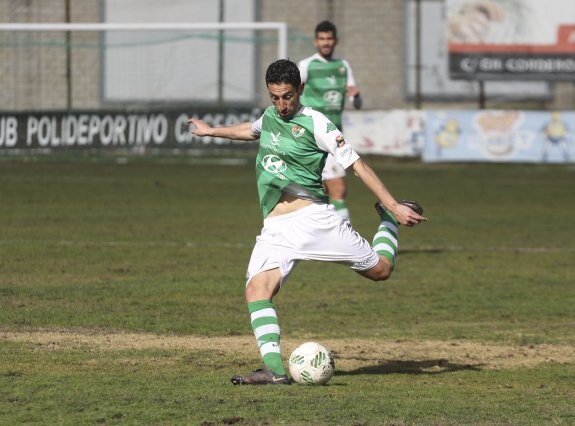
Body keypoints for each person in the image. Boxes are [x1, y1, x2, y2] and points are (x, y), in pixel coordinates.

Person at [189, 59, 426, 385]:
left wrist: (393, 205)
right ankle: (274, 371)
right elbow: (251, 130)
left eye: (287, 96)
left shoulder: (318, 123)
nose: (281, 104)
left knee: (381, 270)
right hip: (276, 229)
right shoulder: (271, 115)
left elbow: (357, 165)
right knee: (256, 290)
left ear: (299, 90)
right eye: (274, 97)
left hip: (315, 221)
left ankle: (387, 222)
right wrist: (210, 131)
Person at [298, 20, 362, 221]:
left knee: (336, 191)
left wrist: (357, 96)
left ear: (336, 41)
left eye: (329, 39)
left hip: (334, 137)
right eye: (322, 39)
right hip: (311, 137)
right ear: (315, 42)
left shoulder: (343, 66)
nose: (326, 43)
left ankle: (342, 242)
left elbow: (356, 102)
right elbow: (291, 94)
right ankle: (342, 243)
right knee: (325, 193)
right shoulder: (306, 65)